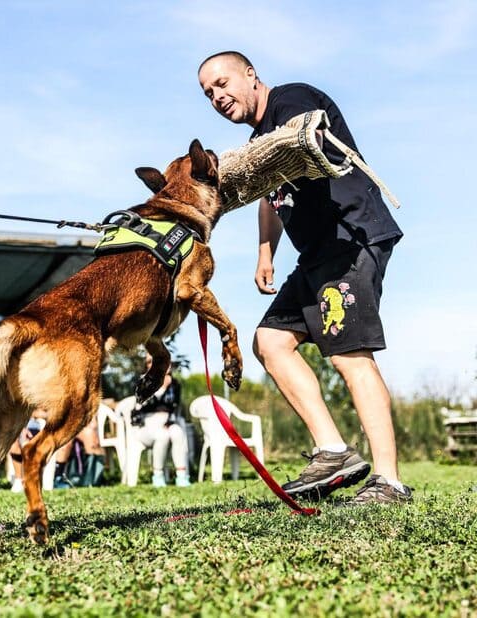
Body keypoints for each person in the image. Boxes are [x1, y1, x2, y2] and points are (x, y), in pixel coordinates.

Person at [197, 51, 412, 504]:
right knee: (270, 342)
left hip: (351, 239)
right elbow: (269, 190)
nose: (217, 96)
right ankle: (334, 452)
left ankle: (389, 480)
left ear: (250, 75)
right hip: (315, 255)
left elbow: (294, 144)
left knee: (349, 357)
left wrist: (228, 171)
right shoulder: (262, 137)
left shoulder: (291, 101)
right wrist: (264, 252)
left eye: (222, 82)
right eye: (208, 93)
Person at [130, 355, 190, 488]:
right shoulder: (142, 382)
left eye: (163, 360)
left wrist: (169, 422)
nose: (158, 363)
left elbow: (175, 407)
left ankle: (181, 476)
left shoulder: (175, 385)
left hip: (167, 421)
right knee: (162, 436)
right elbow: (141, 405)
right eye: (151, 362)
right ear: (147, 365)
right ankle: (158, 475)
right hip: (146, 424)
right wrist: (161, 387)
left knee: (178, 432)